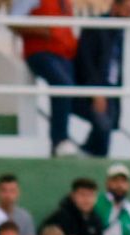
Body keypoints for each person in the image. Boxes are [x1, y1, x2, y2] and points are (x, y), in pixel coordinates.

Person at [12, 0, 82, 156]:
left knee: (80, 90)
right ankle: (59, 140)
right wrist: (43, 30)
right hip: (40, 52)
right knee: (63, 85)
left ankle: (95, 144)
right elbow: (13, 21)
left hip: (64, 55)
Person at [72, 0, 130, 157]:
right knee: (103, 124)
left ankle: (88, 153)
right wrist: (96, 90)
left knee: (106, 127)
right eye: (128, 10)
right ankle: (88, 154)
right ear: (116, 7)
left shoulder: (119, 32)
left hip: (110, 89)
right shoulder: (96, 27)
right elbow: (86, 61)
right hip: (96, 88)